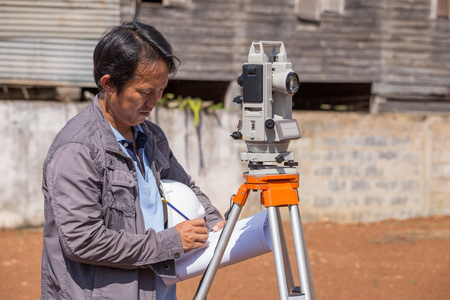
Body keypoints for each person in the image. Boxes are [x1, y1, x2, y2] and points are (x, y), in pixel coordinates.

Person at [41, 21, 225, 300]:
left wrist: (213, 221)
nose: (154, 102)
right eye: (145, 92)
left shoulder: (151, 136)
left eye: (160, 90)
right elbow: (83, 241)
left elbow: (184, 184)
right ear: (109, 83)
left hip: (155, 290)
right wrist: (171, 242)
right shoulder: (77, 149)